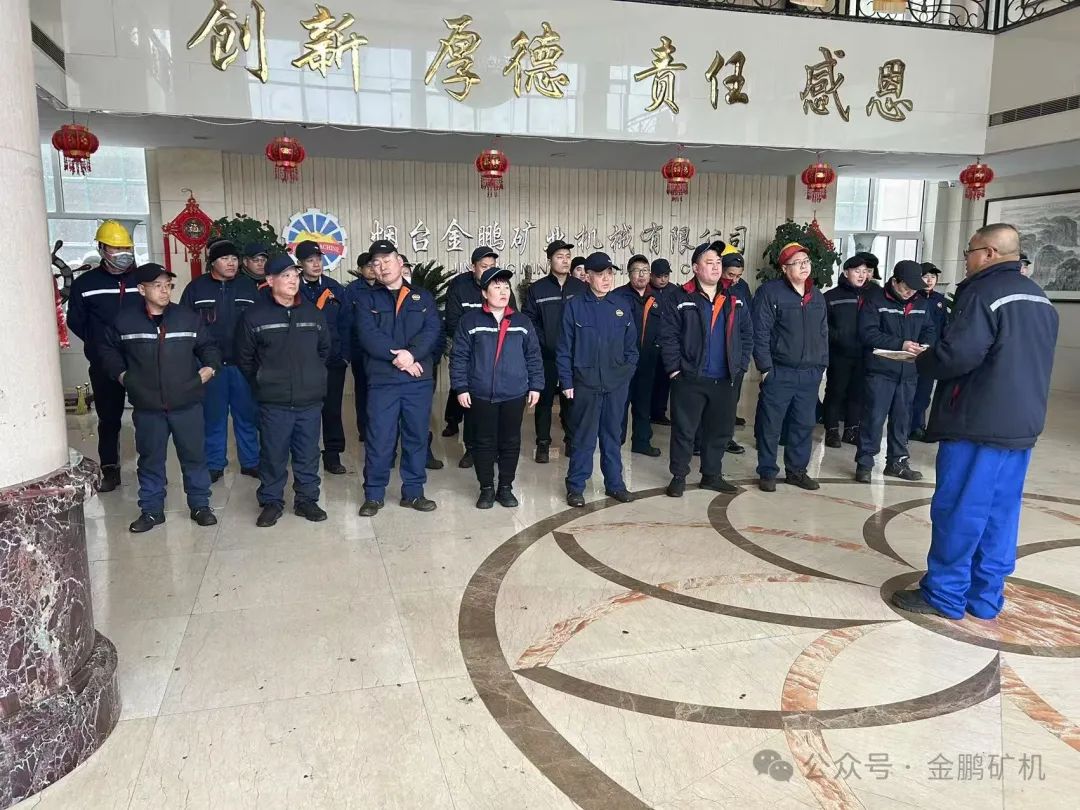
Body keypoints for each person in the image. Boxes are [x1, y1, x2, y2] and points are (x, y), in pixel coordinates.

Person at [891, 224, 1058, 620]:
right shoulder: (1039, 297)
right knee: (1001, 514)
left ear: (989, 253)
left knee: (960, 510)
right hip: (1021, 426)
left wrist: (925, 359)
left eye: (969, 251)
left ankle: (945, 595)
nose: (965, 260)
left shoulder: (983, 293)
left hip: (976, 422)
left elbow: (958, 355)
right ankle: (985, 597)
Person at [98, 263, 221, 533]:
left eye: (168, 285)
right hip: (148, 406)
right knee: (150, 460)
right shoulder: (125, 321)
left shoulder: (187, 318)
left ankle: (200, 506)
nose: (165, 291)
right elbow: (107, 351)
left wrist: (209, 369)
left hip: (186, 403)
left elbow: (208, 346)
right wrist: (123, 376)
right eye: (157, 286)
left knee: (194, 457)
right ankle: (152, 511)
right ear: (142, 290)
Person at [235, 254, 330, 527]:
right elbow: (245, 359)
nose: (292, 280)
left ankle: (307, 500)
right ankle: (272, 501)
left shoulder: (312, 313)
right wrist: (264, 381)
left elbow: (324, 349)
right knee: (273, 454)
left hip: (309, 400)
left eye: (295, 275)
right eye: (285, 275)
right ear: (270, 280)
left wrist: (312, 376)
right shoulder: (254, 316)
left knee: (308, 453)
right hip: (274, 401)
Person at [354, 240, 442, 516]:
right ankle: (374, 495)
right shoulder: (367, 299)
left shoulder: (421, 297)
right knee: (379, 438)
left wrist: (412, 355)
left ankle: (413, 493)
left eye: (387, 260)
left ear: (400, 262)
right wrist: (400, 358)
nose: (382, 267)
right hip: (383, 380)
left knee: (416, 437)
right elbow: (368, 335)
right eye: (376, 263)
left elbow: (431, 330)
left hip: (417, 381)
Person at [659, 241, 753, 497]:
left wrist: (740, 365)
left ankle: (711, 475)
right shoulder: (680, 297)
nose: (715, 267)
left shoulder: (734, 297)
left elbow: (747, 334)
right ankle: (679, 476)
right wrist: (675, 370)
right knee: (684, 430)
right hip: (690, 377)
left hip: (725, 378)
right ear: (695, 268)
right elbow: (668, 337)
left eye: (718, 263)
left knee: (719, 430)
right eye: (709, 262)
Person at [450, 267, 544, 508]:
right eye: (496, 287)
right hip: (481, 394)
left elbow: (533, 356)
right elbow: (459, 357)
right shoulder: (470, 321)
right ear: (484, 293)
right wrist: (461, 387)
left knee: (510, 442)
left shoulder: (522, 322)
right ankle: (486, 489)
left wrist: (536, 386)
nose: (503, 292)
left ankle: (505, 487)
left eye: (506, 287)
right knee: (484, 442)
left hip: (514, 393)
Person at [557, 252, 638, 506]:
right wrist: (567, 381)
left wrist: (624, 375)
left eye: (609, 274)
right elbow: (564, 348)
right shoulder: (574, 306)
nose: (606, 279)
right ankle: (576, 487)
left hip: (616, 385)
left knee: (613, 436)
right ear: (587, 277)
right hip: (585, 383)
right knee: (583, 438)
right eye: (600, 274)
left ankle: (615, 484)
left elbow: (632, 348)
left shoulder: (621, 306)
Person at [66, 220, 140, 492]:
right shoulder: (86, 284)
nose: (123, 254)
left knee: (147, 415)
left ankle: (150, 468)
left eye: (126, 248)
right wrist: (99, 343)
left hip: (141, 359)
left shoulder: (142, 280)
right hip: (104, 362)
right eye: (116, 248)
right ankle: (110, 469)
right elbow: (76, 321)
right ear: (101, 249)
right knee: (109, 418)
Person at [180, 239, 260, 482]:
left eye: (234, 259)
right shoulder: (196, 289)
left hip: (242, 365)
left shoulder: (247, 287)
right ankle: (214, 464)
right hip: (210, 367)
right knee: (213, 418)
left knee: (247, 416)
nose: (231, 263)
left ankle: (251, 462)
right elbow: (185, 326)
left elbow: (259, 323)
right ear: (212, 262)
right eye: (225, 259)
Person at [752, 243, 829, 492]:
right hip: (779, 371)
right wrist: (766, 368)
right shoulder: (770, 293)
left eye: (806, 261)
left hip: (809, 373)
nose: (804, 266)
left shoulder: (816, 295)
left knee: (803, 424)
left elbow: (823, 332)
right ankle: (767, 471)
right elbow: (760, 332)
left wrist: (821, 364)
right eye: (797, 263)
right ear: (785, 269)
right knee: (771, 425)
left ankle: (797, 471)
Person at [854, 261, 935, 483]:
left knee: (902, 419)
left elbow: (929, 329)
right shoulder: (875, 300)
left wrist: (925, 346)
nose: (910, 292)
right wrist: (900, 344)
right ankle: (865, 464)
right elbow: (867, 333)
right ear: (894, 281)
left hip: (909, 372)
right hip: (880, 371)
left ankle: (897, 462)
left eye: (914, 288)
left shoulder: (921, 303)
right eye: (906, 287)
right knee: (873, 418)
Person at [443, 246, 517, 467]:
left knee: (494, 408)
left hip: (498, 357)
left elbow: (512, 320)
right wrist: (475, 339)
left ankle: (493, 450)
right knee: (472, 407)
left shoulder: (501, 287)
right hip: (471, 356)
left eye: (492, 266)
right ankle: (471, 449)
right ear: (472, 267)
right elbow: (452, 322)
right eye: (484, 266)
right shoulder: (459, 286)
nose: (488, 270)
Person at [523, 239, 587, 463]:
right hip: (546, 356)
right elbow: (530, 321)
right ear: (550, 260)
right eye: (560, 257)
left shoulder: (580, 288)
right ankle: (543, 443)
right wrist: (547, 343)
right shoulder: (537, 289)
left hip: (574, 356)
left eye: (568, 257)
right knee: (544, 400)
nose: (565, 261)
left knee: (572, 398)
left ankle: (571, 440)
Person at [295, 240, 351, 475]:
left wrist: (345, 356)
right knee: (303, 410)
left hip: (333, 361)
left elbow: (347, 324)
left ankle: (333, 454)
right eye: (310, 260)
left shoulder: (335, 288)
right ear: (300, 264)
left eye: (319, 259)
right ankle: (303, 454)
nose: (316, 264)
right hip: (301, 362)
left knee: (332, 409)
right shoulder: (292, 288)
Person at [613, 254, 662, 457]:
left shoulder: (658, 298)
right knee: (620, 403)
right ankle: (615, 442)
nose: (641, 275)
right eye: (636, 271)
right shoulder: (617, 297)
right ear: (629, 274)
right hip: (622, 362)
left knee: (643, 403)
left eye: (645, 271)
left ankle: (642, 442)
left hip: (648, 360)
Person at [823, 255, 871, 449]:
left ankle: (851, 431)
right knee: (836, 391)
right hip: (839, 354)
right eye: (856, 271)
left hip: (864, 354)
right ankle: (831, 430)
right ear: (845, 272)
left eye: (864, 271)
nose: (861, 275)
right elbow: (823, 325)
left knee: (857, 393)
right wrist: (837, 337)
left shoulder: (872, 296)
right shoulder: (832, 296)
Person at [910, 262, 949, 442]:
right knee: (910, 392)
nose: (929, 280)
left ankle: (919, 426)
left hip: (931, 352)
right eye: (926, 277)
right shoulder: (912, 297)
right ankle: (907, 427)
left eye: (933, 277)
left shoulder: (940, 300)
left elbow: (944, 326)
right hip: (912, 351)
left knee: (924, 393)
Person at [720, 245, 752, 448]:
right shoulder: (711, 286)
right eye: (730, 275)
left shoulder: (742, 288)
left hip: (735, 356)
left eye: (738, 276)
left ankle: (726, 438)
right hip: (714, 357)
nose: (734, 280)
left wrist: (744, 359)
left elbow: (748, 326)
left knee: (731, 399)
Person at [344, 251, 376, 442]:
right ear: (360, 269)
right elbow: (347, 321)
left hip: (381, 351)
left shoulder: (384, 286)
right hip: (360, 349)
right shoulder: (352, 290)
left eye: (374, 265)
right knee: (362, 390)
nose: (372, 269)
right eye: (368, 266)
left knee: (379, 390)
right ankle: (364, 429)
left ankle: (379, 428)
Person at [648, 259, 675, 425]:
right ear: (651, 275)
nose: (663, 279)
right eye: (659, 276)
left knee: (664, 381)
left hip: (667, 344)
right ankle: (646, 411)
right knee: (648, 380)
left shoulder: (675, 291)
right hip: (649, 344)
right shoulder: (646, 291)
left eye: (666, 276)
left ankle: (659, 412)